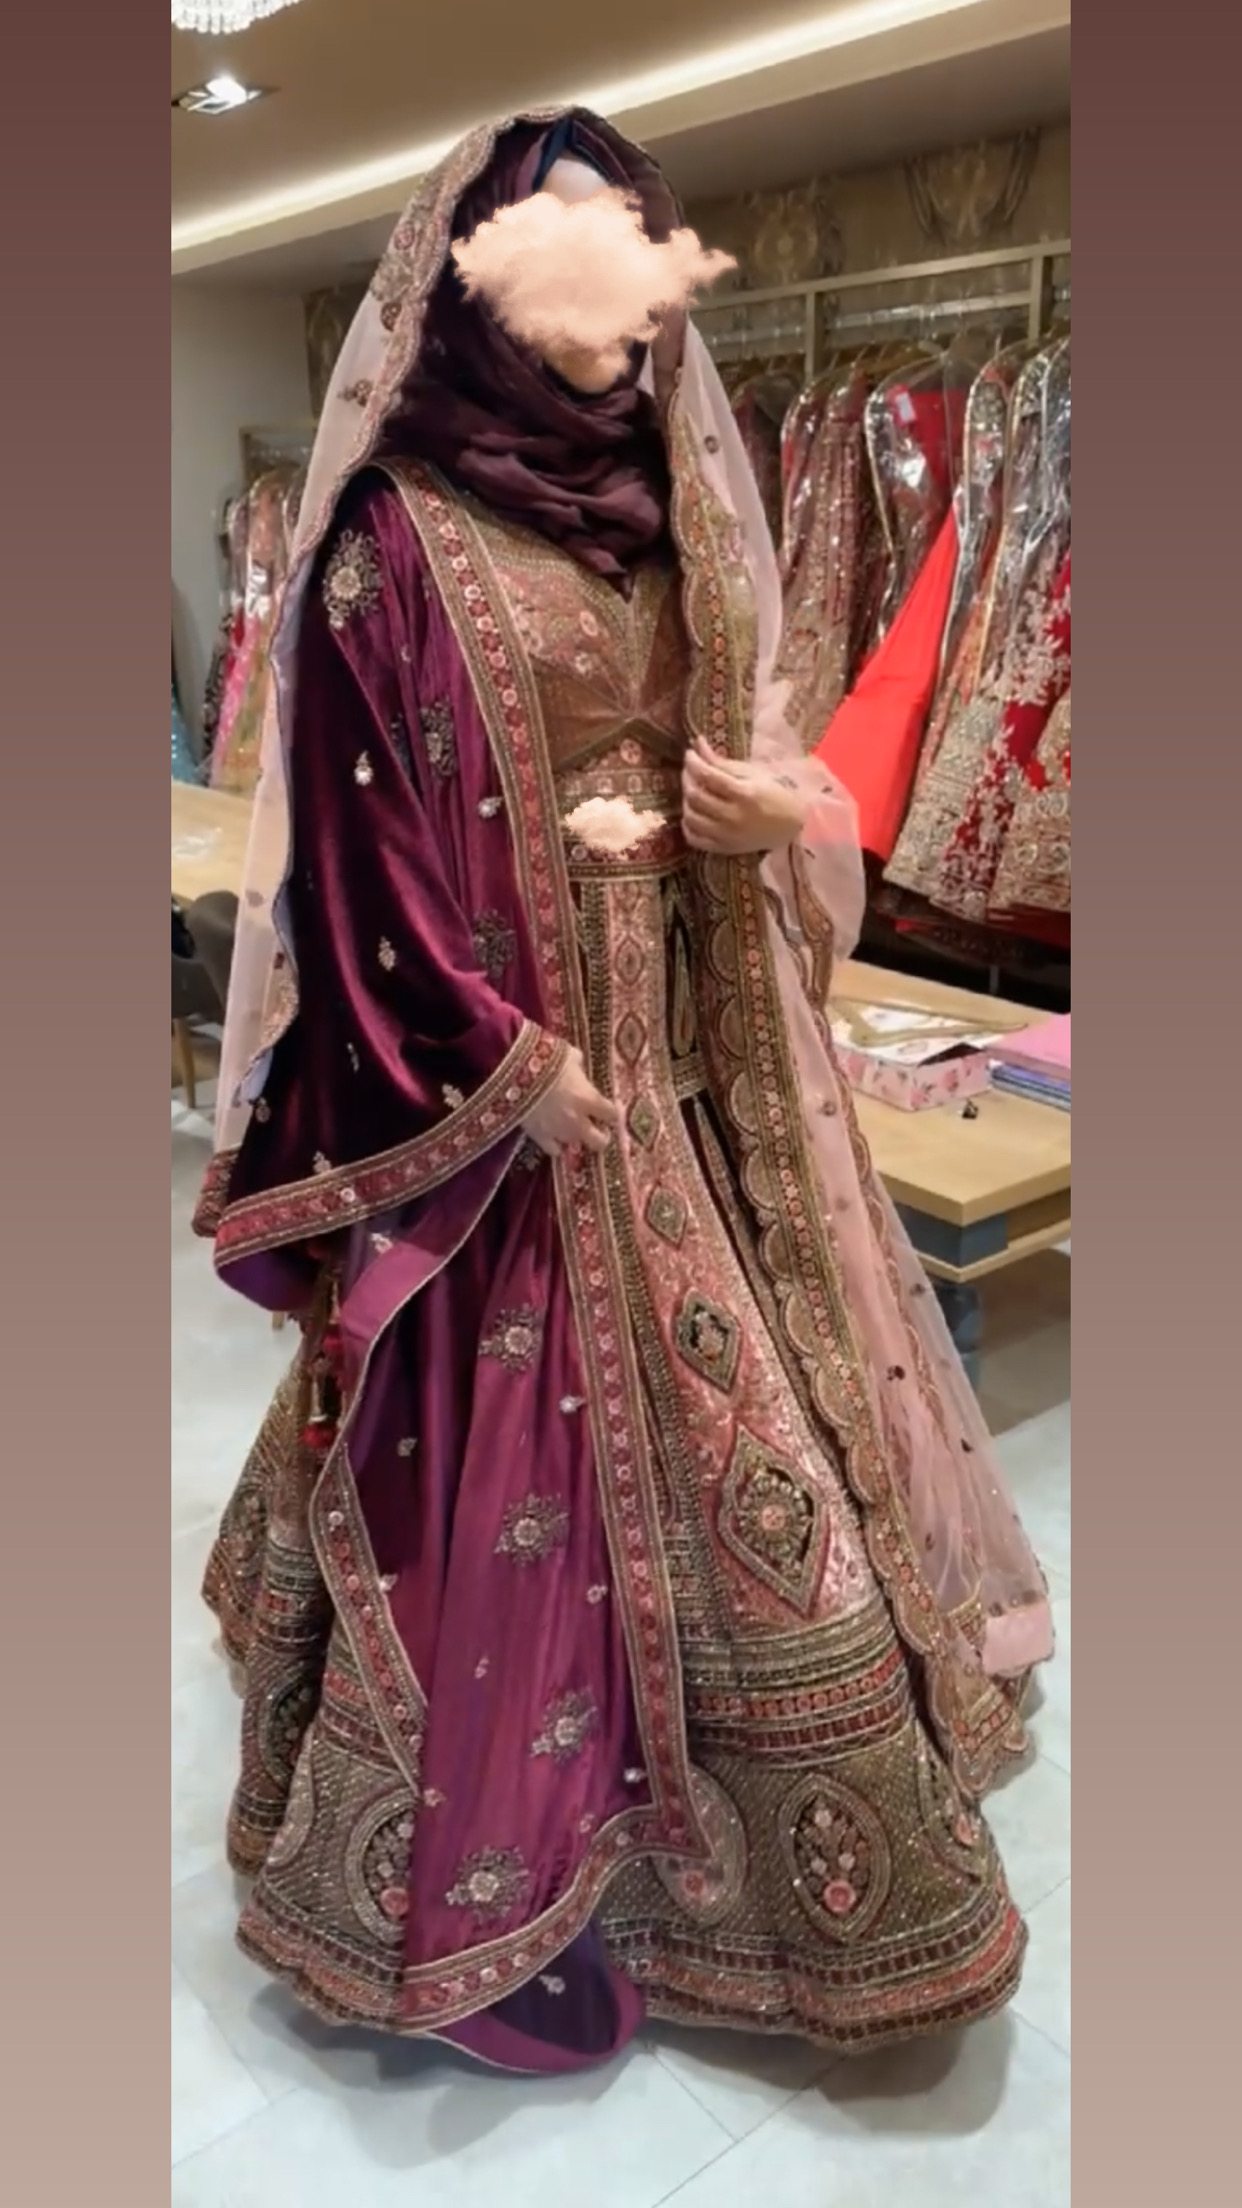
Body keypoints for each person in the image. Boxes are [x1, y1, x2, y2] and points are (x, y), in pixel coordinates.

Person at [194, 108, 1052, 2076]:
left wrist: (765, 820)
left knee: (767, 1496)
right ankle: (493, 1878)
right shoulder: (388, 541)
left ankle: (776, 1875)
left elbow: (737, 768)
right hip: (505, 1119)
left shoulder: (669, 514)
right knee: (490, 1501)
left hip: (673, 1096)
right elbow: (357, 860)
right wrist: (494, 1067)